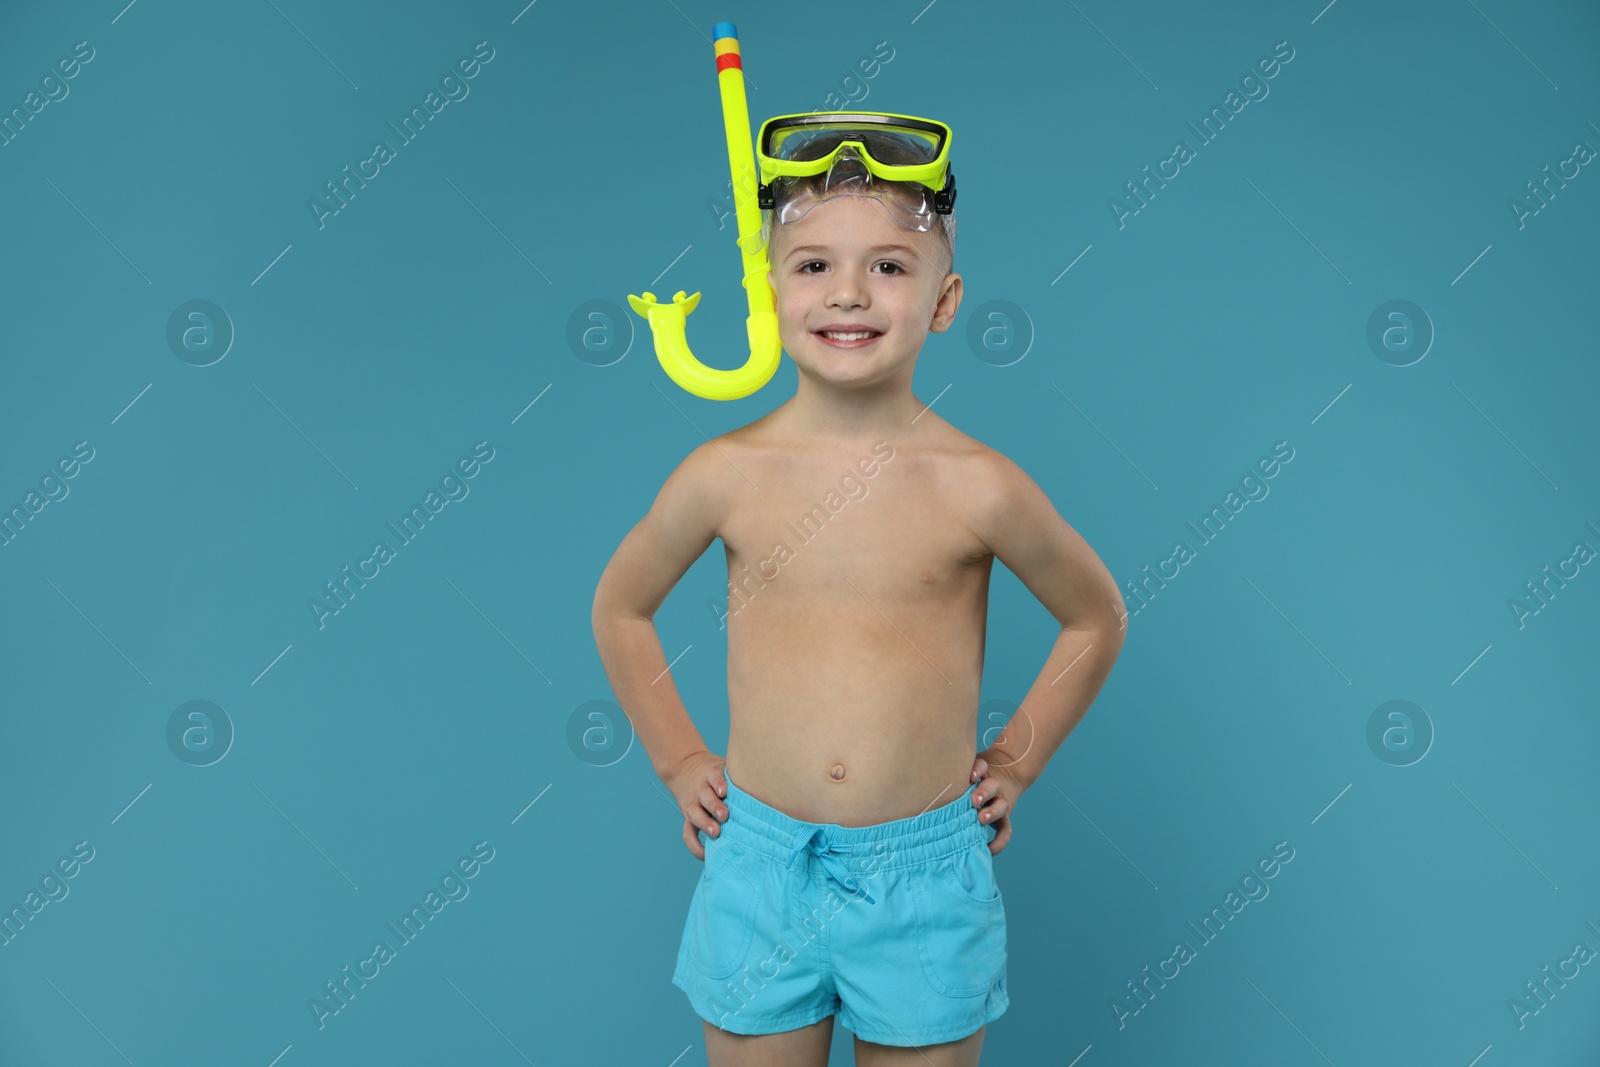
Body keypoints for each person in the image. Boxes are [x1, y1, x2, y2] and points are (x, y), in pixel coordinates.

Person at [591, 111, 1126, 1067]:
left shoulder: (979, 485)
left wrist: (1015, 764)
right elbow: (621, 606)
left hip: (923, 879)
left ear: (945, 298)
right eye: (812, 266)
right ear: (767, 289)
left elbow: (1096, 614)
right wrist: (678, 761)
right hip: (759, 867)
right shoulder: (726, 472)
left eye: (888, 265)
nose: (849, 291)